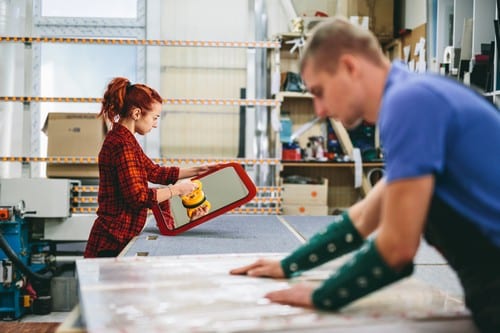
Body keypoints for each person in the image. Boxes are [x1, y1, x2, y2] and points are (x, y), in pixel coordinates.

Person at [230, 17, 500, 332]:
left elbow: (397, 248)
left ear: (349, 67)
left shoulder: (408, 102)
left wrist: (322, 295)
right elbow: (365, 215)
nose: (318, 109)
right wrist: (288, 265)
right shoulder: (416, 92)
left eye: (319, 91)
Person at [84, 77, 215, 258]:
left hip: (116, 237)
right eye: (154, 117)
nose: (155, 123)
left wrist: (198, 170)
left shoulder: (125, 140)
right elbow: (138, 197)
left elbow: (154, 172)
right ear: (137, 113)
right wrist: (177, 190)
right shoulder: (122, 145)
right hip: (112, 241)